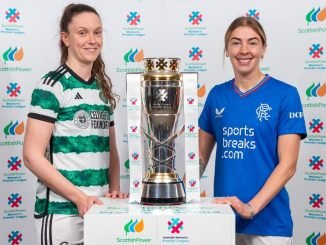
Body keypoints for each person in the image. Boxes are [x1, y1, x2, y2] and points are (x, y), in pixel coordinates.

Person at [23, 4, 127, 244]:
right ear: (65, 38)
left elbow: (110, 152)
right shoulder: (51, 86)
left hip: (99, 211)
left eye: (97, 32)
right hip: (62, 215)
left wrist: (113, 191)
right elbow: (31, 156)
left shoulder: (102, 90)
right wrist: (79, 197)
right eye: (82, 33)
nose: (92, 40)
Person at [198, 16, 306, 245]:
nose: (244, 50)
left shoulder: (286, 95)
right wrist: (177, 194)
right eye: (236, 42)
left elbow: (288, 166)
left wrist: (250, 208)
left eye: (253, 42)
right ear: (226, 49)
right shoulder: (217, 95)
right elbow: (198, 158)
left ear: (263, 49)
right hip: (224, 222)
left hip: (269, 225)